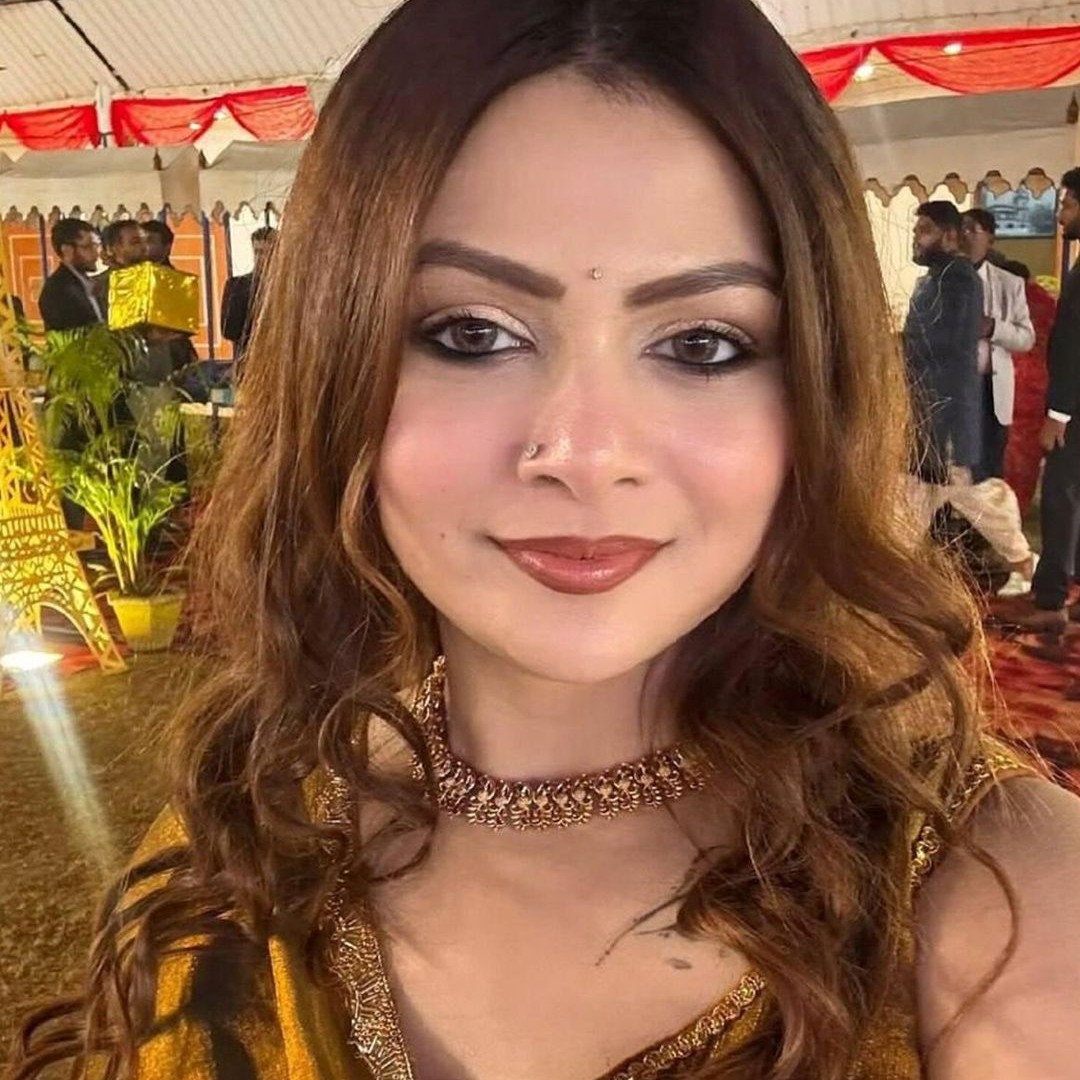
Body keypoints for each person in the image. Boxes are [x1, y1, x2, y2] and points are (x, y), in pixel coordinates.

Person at [10, 4, 1080, 1080]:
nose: (585, 454)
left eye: (703, 344)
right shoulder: (247, 821)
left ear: (818, 392)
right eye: (472, 333)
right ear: (335, 364)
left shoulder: (1010, 909)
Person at [904, 201, 1034, 585]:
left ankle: (1024, 563)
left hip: (946, 416)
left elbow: (950, 351)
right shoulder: (933, 280)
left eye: (924, 229)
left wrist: (891, 347)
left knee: (977, 495)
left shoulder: (959, 280)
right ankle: (890, 579)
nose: (916, 237)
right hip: (930, 413)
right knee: (911, 499)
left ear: (948, 235)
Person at [1017, 168, 1080, 634]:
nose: (1061, 216)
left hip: (1073, 409)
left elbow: (1073, 345)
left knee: (1061, 496)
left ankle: (1052, 599)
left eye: (1068, 205)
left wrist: (1058, 412)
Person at [959, 209, 1035, 482]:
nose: (965, 235)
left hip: (991, 390)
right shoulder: (938, 280)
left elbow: (1027, 338)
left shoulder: (1009, 284)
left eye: (972, 229)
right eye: (961, 228)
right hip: (953, 388)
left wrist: (994, 328)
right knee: (955, 468)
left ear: (990, 238)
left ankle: (987, 510)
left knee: (989, 471)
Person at [1001, 260, 1057, 515]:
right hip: (1040, 385)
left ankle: (1007, 510)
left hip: (1010, 383)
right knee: (1028, 455)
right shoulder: (1047, 302)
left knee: (1007, 454)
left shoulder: (1005, 298)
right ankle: (1019, 508)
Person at [221, 226, 277, 366]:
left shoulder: (288, 286)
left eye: (267, 252)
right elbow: (229, 330)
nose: (261, 258)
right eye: (258, 252)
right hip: (248, 360)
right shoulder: (238, 285)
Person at [37, 218, 104, 332]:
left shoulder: (88, 282)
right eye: (88, 247)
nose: (96, 253)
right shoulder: (57, 289)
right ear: (67, 250)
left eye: (97, 246)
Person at [93, 219, 148, 318]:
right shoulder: (100, 286)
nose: (144, 247)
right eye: (135, 242)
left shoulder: (153, 279)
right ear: (113, 248)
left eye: (145, 241)